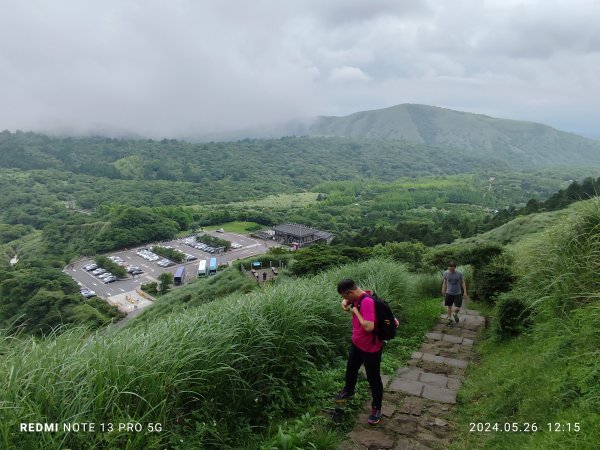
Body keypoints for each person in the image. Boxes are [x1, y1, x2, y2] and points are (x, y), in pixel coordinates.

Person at [334, 278, 384, 426]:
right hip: (357, 344)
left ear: (350, 292)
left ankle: (376, 408)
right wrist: (345, 303)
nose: (345, 300)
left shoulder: (366, 301)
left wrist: (355, 311)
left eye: (344, 296)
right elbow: (348, 303)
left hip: (370, 348)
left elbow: (369, 327)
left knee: (373, 378)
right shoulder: (356, 297)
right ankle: (349, 390)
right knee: (351, 370)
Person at [441, 261, 467, 325]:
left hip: (458, 293)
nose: (451, 270)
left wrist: (465, 292)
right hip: (449, 292)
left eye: (452, 269)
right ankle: (449, 319)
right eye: (450, 269)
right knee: (449, 306)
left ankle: (455, 314)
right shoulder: (446, 273)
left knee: (458, 307)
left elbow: (463, 282)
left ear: (455, 268)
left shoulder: (459, 273)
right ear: (448, 267)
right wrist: (443, 289)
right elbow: (445, 282)